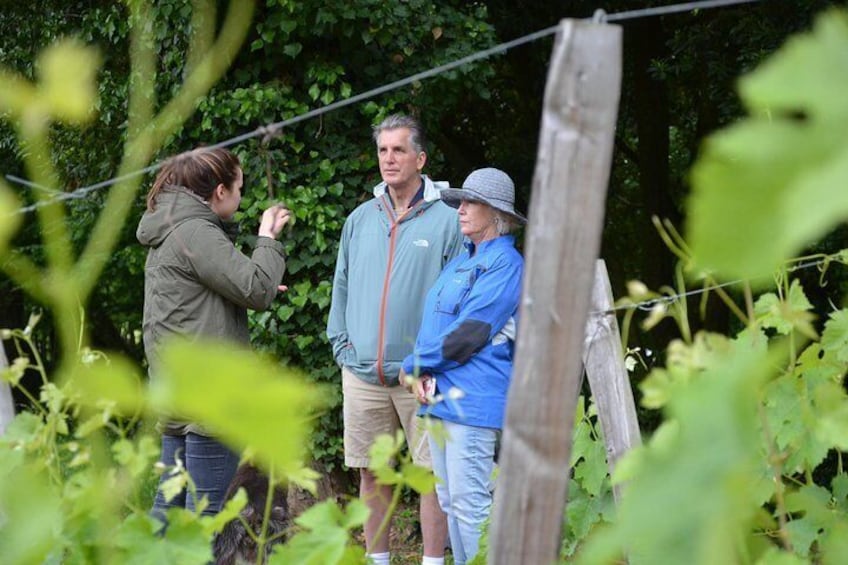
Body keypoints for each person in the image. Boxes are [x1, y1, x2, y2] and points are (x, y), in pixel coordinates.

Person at [327, 114, 463, 565]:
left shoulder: (447, 221)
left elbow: (460, 297)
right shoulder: (359, 220)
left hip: (423, 373)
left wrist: (437, 360)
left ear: (420, 158)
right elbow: (341, 286)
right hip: (363, 373)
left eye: (398, 150)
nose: (389, 159)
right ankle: (378, 560)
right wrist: (342, 346)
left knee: (431, 475)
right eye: (383, 150)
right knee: (372, 474)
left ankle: (432, 561)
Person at [137, 146, 290, 524]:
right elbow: (255, 288)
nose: (241, 196)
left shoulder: (172, 228)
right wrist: (267, 237)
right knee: (207, 518)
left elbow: (198, 297)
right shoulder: (196, 231)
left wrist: (255, 277)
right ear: (220, 191)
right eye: (239, 187)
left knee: (168, 511)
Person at [401, 167, 526, 565]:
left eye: (472, 202)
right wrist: (421, 373)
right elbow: (435, 328)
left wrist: (412, 365)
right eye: (461, 201)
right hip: (440, 401)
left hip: (473, 405)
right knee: (451, 502)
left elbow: (469, 334)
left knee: (472, 508)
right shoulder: (459, 262)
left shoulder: (506, 263)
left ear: (496, 213)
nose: (461, 209)